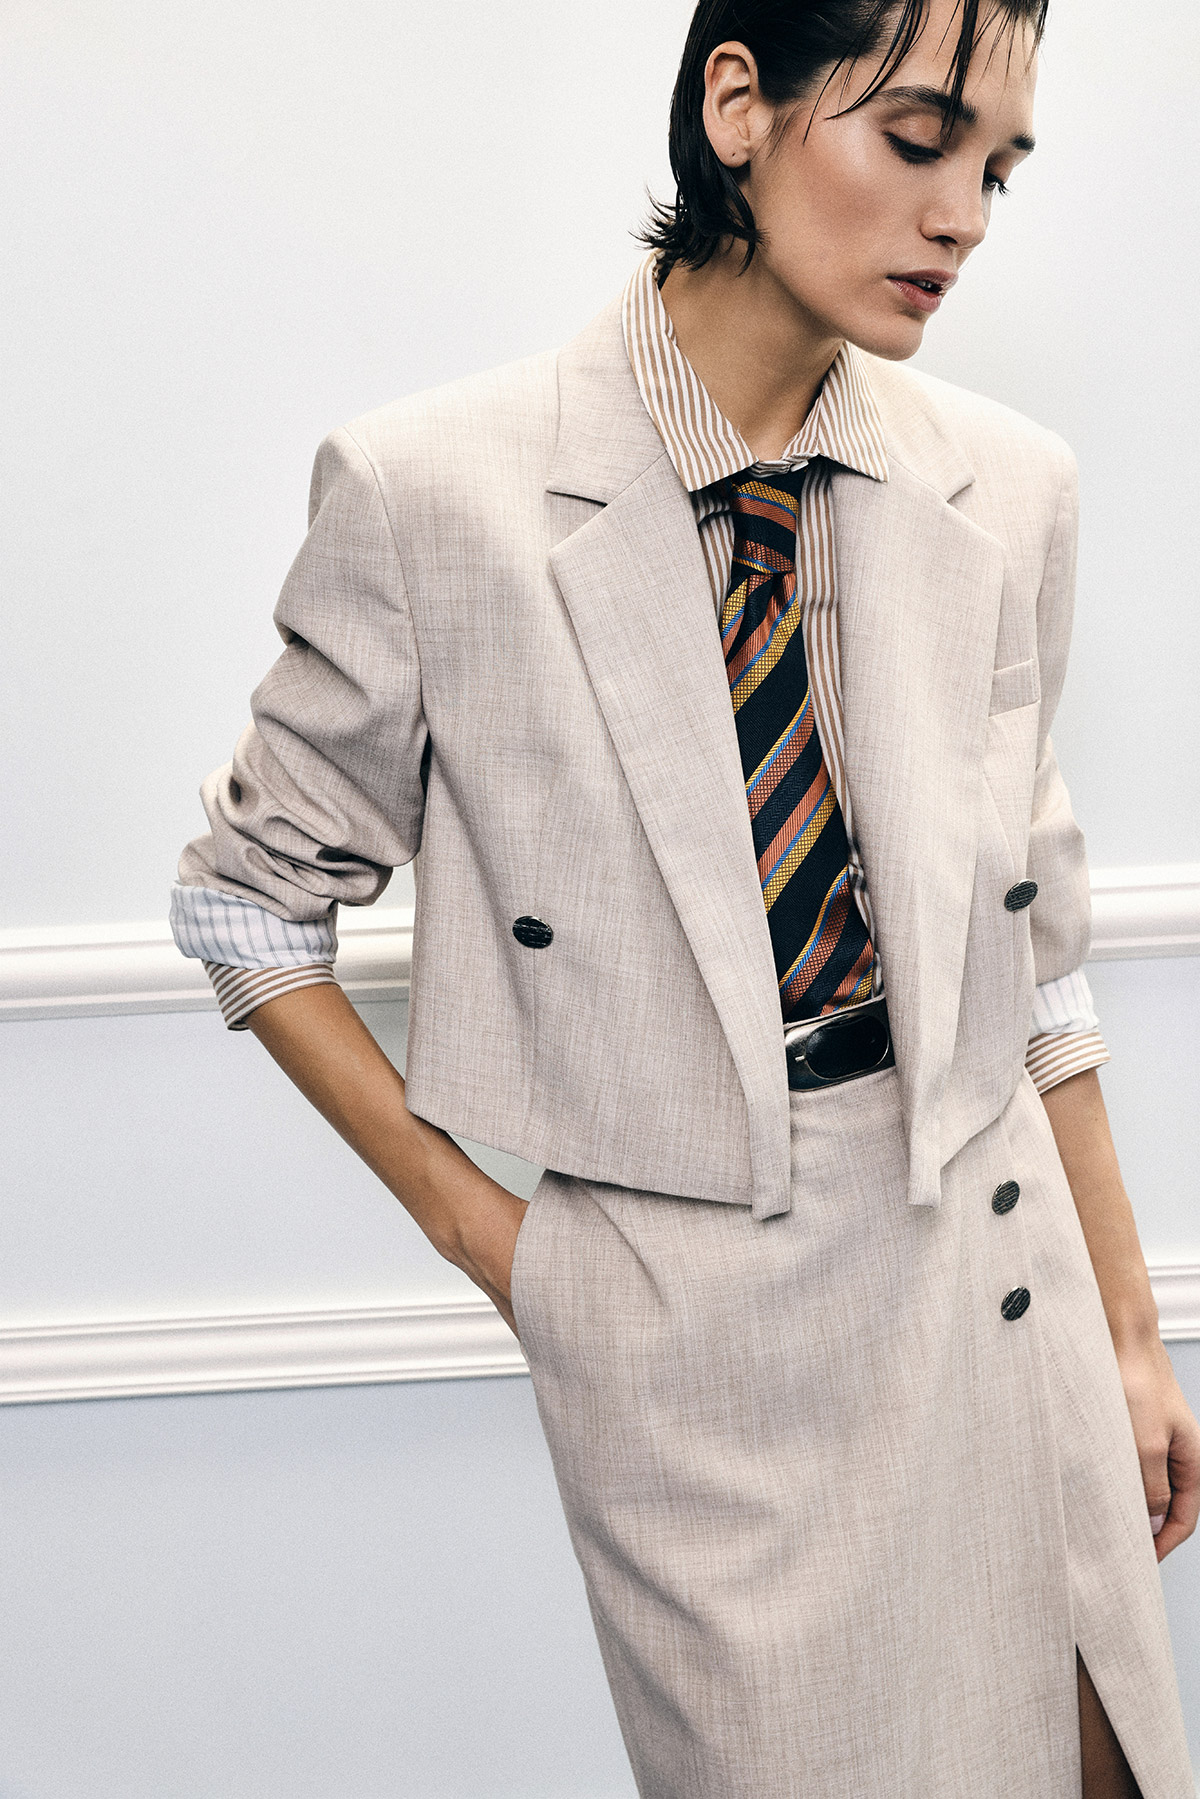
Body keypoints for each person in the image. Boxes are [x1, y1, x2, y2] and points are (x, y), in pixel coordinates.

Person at [170, 1, 1199, 1792]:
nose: (964, 212)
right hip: (706, 1374)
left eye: (1000, 169)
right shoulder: (434, 497)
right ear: (740, 102)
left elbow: (1028, 945)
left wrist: (1127, 1318)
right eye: (918, 138)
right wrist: (514, 1254)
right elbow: (247, 909)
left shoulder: (1005, 488)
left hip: (996, 1292)